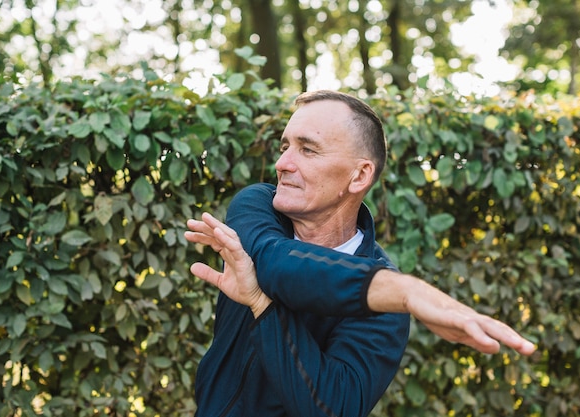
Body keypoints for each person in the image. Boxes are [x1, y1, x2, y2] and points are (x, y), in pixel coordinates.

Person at [185, 90, 535, 417]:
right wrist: (406, 291)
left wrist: (262, 305)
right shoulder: (258, 204)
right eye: (284, 146)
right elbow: (273, 262)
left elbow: (333, 407)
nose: (283, 163)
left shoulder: (386, 306)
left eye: (307, 149)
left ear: (359, 176)